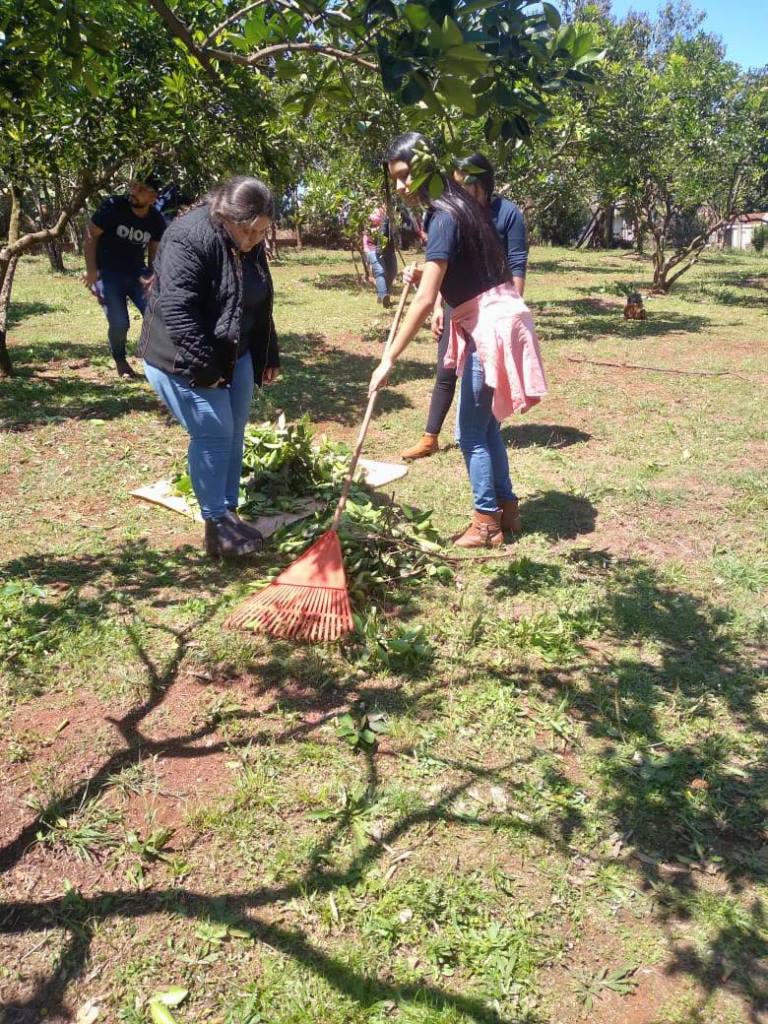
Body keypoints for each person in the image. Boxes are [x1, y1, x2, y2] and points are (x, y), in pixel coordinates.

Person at [369, 133, 547, 549]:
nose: (400, 187)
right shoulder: (459, 205)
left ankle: (485, 523)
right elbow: (461, 270)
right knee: (487, 427)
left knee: (469, 432)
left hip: (491, 325)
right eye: (395, 179)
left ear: (427, 166)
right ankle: (507, 509)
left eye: (405, 175)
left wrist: (388, 358)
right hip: (498, 315)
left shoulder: (442, 214)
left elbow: (427, 299)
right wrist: (425, 271)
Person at [138, 176, 281, 560]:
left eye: (261, 233)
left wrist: (269, 353)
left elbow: (259, 297)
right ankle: (215, 527)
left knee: (234, 431)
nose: (253, 240)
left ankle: (228, 513)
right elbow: (177, 309)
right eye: (248, 231)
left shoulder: (248, 239)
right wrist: (207, 368)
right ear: (226, 215)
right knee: (215, 430)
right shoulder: (189, 236)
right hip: (181, 357)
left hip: (236, 350)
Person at [401, 153, 528, 465]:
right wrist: (442, 306)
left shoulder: (508, 214)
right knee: (445, 370)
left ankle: (486, 430)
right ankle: (430, 436)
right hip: (459, 306)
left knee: (474, 427)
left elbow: (516, 268)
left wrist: (506, 319)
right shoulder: (454, 212)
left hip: (492, 315)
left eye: (463, 184)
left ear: (481, 183)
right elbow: (447, 268)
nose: (454, 190)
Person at [82, 174, 167, 378]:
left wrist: (154, 276)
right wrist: (92, 270)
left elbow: (153, 252)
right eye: (133, 186)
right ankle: (120, 361)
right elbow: (90, 235)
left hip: (137, 274)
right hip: (108, 273)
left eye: (141, 189)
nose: (133, 191)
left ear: (153, 197)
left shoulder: (155, 219)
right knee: (120, 322)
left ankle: (155, 360)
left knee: (158, 315)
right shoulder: (113, 206)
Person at [362, 206, 394, 307]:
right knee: (380, 271)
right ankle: (385, 296)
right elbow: (365, 239)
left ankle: (381, 294)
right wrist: (367, 252)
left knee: (392, 271)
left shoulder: (386, 220)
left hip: (386, 249)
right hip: (372, 250)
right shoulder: (369, 225)